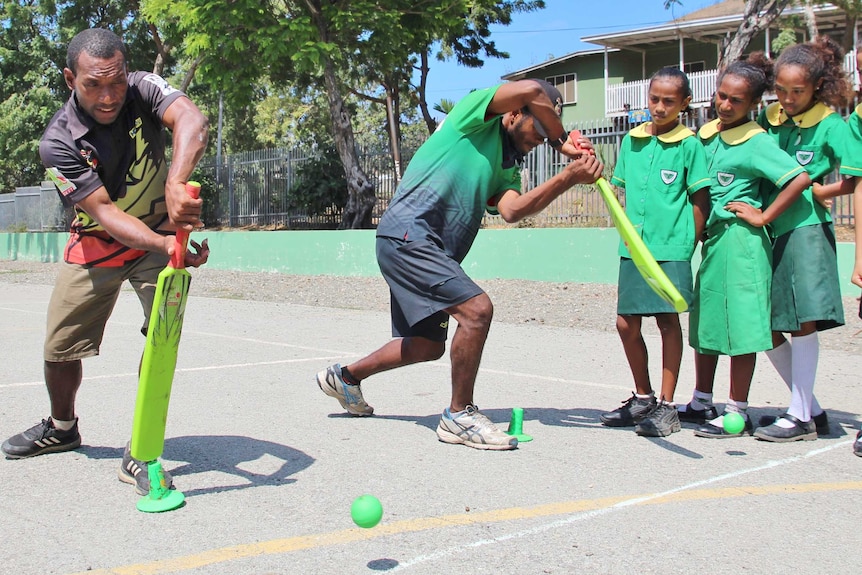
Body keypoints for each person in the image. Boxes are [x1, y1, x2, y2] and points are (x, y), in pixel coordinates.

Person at [315, 79, 603, 450]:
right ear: (514, 113)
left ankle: (346, 378)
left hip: (420, 247)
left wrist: (567, 178)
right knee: (476, 311)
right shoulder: (474, 116)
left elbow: (513, 210)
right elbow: (533, 89)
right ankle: (459, 416)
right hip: (409, 236)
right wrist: (562, 141)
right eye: (541, 128)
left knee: (426, 345)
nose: (543, 139)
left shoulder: (507, 165)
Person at [0, 29, 210, 494]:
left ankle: (141, 448)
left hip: (159, 235)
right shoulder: (57, 142)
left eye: (115, 82)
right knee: (59, 348)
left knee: (161, 337)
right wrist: (168, 246)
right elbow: (106, 213)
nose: (109, 96)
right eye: (94, 85)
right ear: (70, 78)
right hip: (101, 239)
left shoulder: (143, 87)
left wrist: (176, 184)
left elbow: (191, 119)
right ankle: (62, 426)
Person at [677, 53, 811, 437]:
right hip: (715, 241)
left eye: (736, 100)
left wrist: (763, 217)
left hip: (742, 242)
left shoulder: (755, 141)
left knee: (740, 325)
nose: (725, 104)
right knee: (707, 320)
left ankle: (737, 410)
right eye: (721, 96)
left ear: (754, 105)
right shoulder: (707, 135)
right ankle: (702, 400)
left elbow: (798, 179)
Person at [749, 37, 861, 442]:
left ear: (818, 87)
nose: (788, 98)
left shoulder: (832, 124)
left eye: (798, 91)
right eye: (781, 89)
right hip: (770, 229)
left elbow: (853, 179)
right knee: (766, 324)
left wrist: (817, 192)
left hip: (806, 230)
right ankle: (811, 409)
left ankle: (799, 417)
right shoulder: (769, 118)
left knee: (801, 321)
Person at [598, 67, 710, 437]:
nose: (659, 107)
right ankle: (643, 397)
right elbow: (619, 190)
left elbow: (699, 201)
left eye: (668, 101)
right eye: (654, 99)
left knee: (667, 323)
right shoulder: (632, 140)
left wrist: (687, 245)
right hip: (634, 249)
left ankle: (666, 405)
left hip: (672, 249)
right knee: (625, 323)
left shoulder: (689, 144)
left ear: (684, 103)